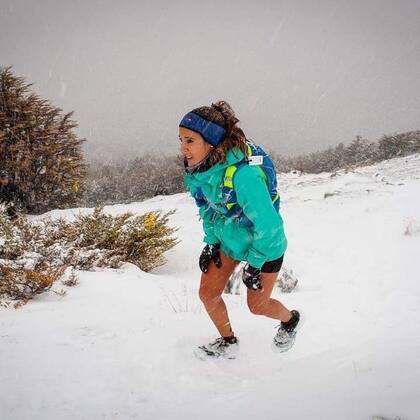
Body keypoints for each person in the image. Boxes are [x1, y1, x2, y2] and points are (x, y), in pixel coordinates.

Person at [179, 100, 300, 358]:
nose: (183, 148)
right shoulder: (201, 171)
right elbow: (208, 207)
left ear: (210, 142)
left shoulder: (243, 176)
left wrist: (255, 263)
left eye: (190, 140)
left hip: (266, 246)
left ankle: (290, 320)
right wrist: (212, 240)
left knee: (258, 306)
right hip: (231, 237)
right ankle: (228, 341)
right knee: (207, 294)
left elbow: (271, 228)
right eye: (181, 140)